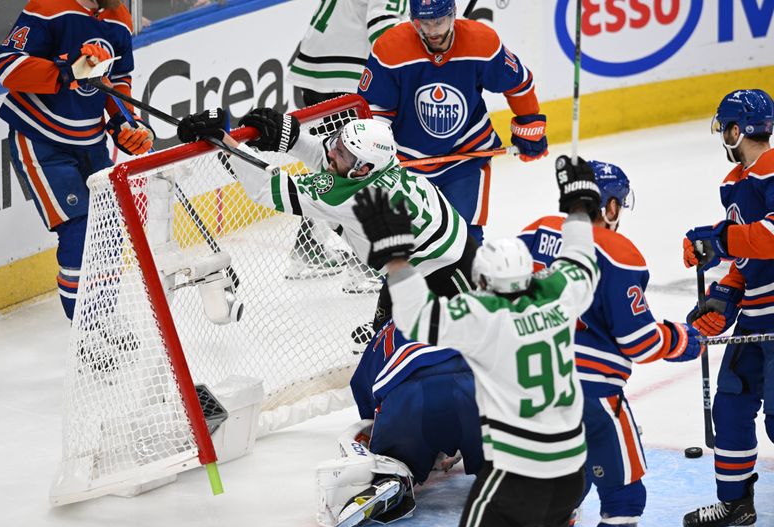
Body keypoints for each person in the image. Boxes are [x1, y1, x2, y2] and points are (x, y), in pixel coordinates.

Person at [353, 154, 602, 527]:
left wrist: (397, 259)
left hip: (514, 465)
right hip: (568, 464)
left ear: (482, 282)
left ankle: (398, 469)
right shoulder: (558, 296)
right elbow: (582, 261)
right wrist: (579, 207)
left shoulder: (478, 315)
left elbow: (416, 316)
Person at [518, 160, 705, 527]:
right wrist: (681, 339)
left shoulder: (534, 232)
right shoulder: (617, 251)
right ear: (611, 206)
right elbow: (638, 341)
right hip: (591, 396)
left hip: (529, 388)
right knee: (623, 500)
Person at [177, 107, 479, 334]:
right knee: (385, 344)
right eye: (339, 143)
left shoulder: (355, 196)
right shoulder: (375, 165)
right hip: (413, 264)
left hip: (445, 272)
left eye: (344, 154)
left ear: (363, 169)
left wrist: (224, 140)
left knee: (451, 350)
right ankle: (382, 339)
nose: (333, 151)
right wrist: (290, 139)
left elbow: (265, 190)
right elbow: (328, 157)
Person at [0, 0, 153, 321]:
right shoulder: (49, 6)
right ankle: (86, 331)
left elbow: (117, 80)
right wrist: (67, 70)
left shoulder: (119, 16)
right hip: (41, 140)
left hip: (91, 143)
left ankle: (102, 321)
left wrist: (126, 123)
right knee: (79, 232)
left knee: (108, 230)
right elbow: (7, 66)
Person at [357, 0, 548, 243]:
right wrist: (376, 151)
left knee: (465, 238)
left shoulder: (482, 43)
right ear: (413, 19)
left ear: (453, 14)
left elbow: (519, 83)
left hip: (466, 153)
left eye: (439, 21)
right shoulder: (390, 48)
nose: (433, 31)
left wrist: (529, 126)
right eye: (424, 23)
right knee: (404, 243)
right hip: (406, 163)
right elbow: (375, 108)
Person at [680, 88, 774, 527]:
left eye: (726, 129)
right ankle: (736, 503)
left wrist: (718, 240)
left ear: (736, 130)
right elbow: (745, 260)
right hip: (756, 319)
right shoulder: (734, 184)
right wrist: (722, 299)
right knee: (732, 407)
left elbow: (770, 236)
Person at [314, 319, 482, 527]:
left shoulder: (376, 345)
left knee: (390, 459)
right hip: (475, 383)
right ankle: (508, 474)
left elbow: (370, 421)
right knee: (504, 462)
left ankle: (392, 478)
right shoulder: (454, 310)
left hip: (409, 394)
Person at [286, 0, 408, 283]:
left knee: (334, 167)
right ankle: (363, 264)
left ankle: (308, 246)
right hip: (343, 76)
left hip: (320, 69)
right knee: (358, 167)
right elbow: (383, 27)